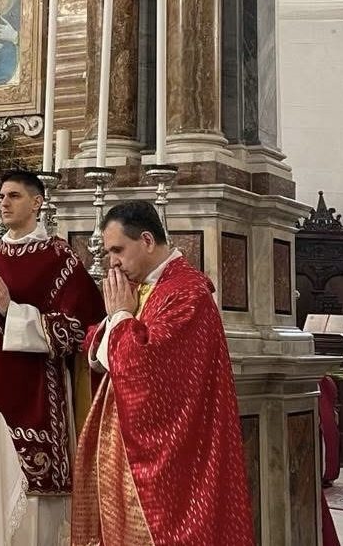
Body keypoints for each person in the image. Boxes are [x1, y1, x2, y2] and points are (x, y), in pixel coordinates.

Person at [71, 200, 254, 545]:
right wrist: (117, 319)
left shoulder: (186, 293)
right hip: (128, 444)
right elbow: (99, 340)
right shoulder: (142, 287)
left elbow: (146, 367)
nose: (111, 262)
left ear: (147, 241)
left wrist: (122, 318)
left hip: (173, 455)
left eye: (117, 250)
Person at [0, 170, 104, 545]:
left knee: (34, 513)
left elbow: (81, 326)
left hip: (36, 391)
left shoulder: (59, 258)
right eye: (2, 195)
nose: (4, 202)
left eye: (14, 195)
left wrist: (13, 312)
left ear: (37, 203)